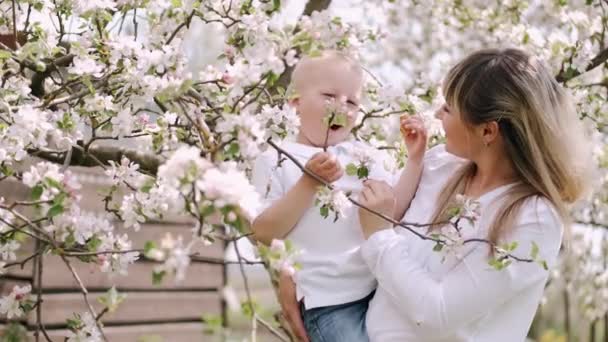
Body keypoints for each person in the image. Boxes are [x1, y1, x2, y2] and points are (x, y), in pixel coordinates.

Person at [355, 48, 593, 341]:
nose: (436, 114)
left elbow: (438, 312)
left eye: (449, 108)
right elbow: (368, 214)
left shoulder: (533, 219)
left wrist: (380, 237)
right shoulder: (439, 164)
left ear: (488, 132)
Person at [251, 50, 427, 342]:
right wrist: (308, 183)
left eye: (352, 101)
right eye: (330, 96)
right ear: (295, 103)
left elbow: (392, 211)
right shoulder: (276, 159)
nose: (341, 106)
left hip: (381, 291)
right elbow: (264, 231)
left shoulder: (362, 157)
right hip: (329, 302)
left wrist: (415, 161)